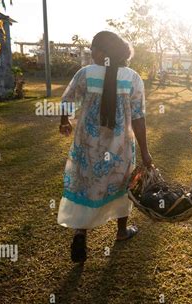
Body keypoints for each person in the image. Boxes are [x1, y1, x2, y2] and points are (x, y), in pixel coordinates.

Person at [57, 31, 153, 263]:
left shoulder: (86, 74)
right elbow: (139, 117)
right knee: (122, 185)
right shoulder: (132, 78)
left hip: (88, 145)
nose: (91, 54)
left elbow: (67, 100)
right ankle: (121, 231)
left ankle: (81, 232)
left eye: (94, 49)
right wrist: (145, 151)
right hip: (120, 146)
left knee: (85, 184)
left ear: (104, 52)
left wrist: (64, 121)